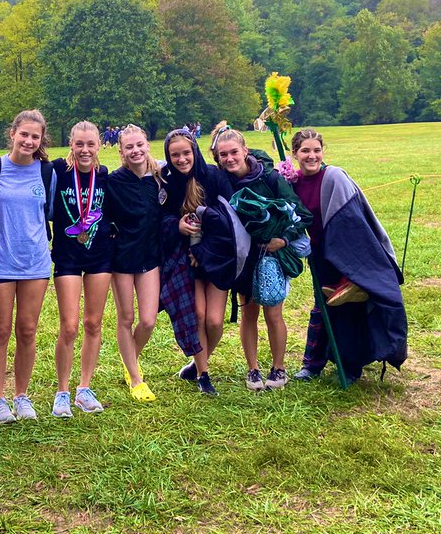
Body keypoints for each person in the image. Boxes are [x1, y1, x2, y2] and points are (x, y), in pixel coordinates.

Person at [286, 129, 408, 382]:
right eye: (305, 151)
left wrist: (349, 261)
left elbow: (353, 221)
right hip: (320, 254)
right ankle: (312, 364)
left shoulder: (334, 177)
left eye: (316, 150)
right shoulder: (292, 183)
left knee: (351, 307)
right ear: (294, 153)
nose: (312, 156)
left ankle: (351, 366)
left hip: (348, 253)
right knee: (322, 307)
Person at [210, 122, 310, 391]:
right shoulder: (222, 183)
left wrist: (284, 239)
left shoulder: (270, 179)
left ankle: (279, 368)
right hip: (244, 258)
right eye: (223, 155)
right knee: (249, 313)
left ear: (245, 150)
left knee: (273, 313)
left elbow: (301, 214)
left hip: (271, 256)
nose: (229, 158)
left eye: (233, 152)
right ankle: (253, 369)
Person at [0, 110, 54, 423]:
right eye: (24, 134)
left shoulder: (47, 172)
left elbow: (50, 212)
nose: (28, 141)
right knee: (0, 331)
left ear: (40, 140)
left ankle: (22, 396)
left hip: (35, 263)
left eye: (35, 136)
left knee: (27, 330)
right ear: (12, 134)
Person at [160, 128, 232, 396]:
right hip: (185, 262)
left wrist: (204, 249)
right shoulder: (167, 183)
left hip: (214, 260)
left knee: (214, 321)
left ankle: (197, 360)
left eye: (185, 153)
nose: (181, 159)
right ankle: (203, 373)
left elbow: (228, 221)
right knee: (197, 316)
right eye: (174, 155)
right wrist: (176, 225)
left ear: (195, 151)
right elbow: (161, 219)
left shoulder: (213, 177)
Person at [49, 121, 112, 417]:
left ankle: (84, 389)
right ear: (71, 144)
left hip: (99, 256)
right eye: (79, 144)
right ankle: (62, 391)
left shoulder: (104, 174)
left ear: (99, 145)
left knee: (93, 323)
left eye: (90, 144)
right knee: (70, 325)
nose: (85, 150)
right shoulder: (58, 171)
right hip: (67, 256)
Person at [107, 125, 162, 402]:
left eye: (139, 145)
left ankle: (131, 360)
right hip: (122, 259)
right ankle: (136, 378)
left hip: (150, 257)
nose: (135, 151)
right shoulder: (114, 181)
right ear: (121, 152)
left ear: (147, 145)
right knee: (126, 318)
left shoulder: (161, 177)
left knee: (148, 320)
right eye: (129, 147)